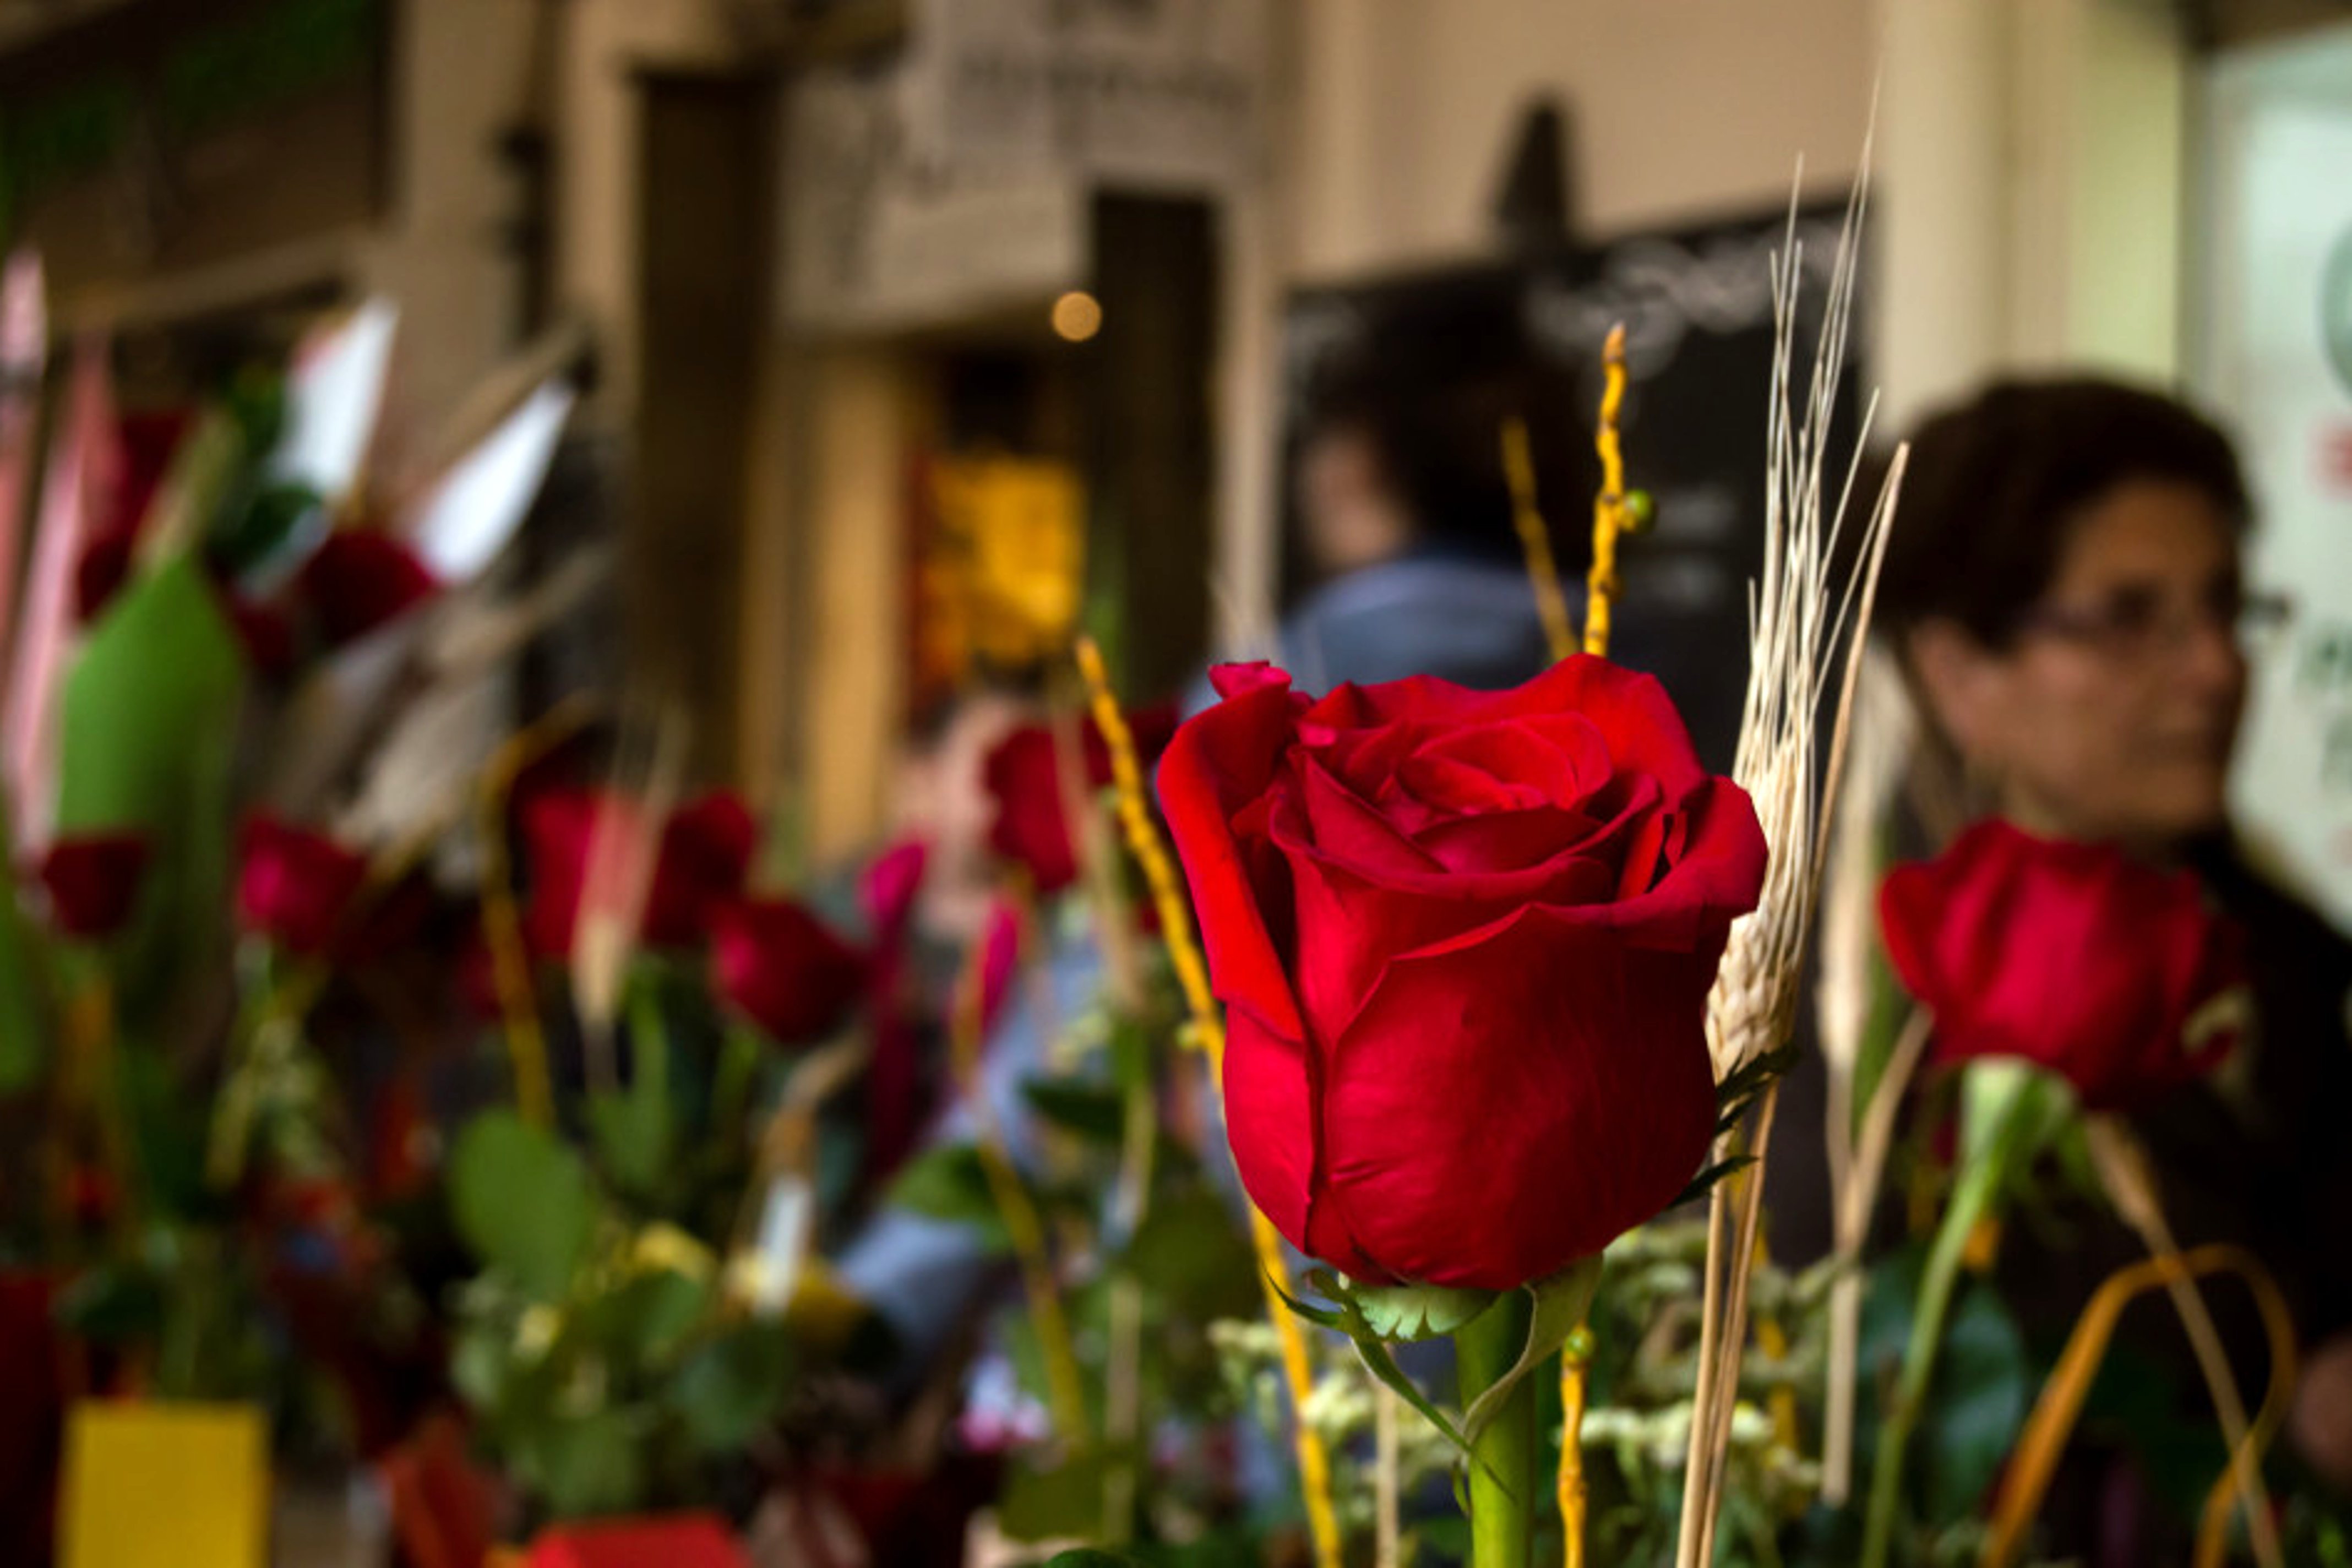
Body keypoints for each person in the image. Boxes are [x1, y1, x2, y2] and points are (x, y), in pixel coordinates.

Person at [1810, 376, 2352, 1556]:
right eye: (2129, 617)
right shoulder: (1846, 1023)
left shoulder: (2298, 958)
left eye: (2222, 608)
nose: (2216, 668)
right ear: (1958, 673)